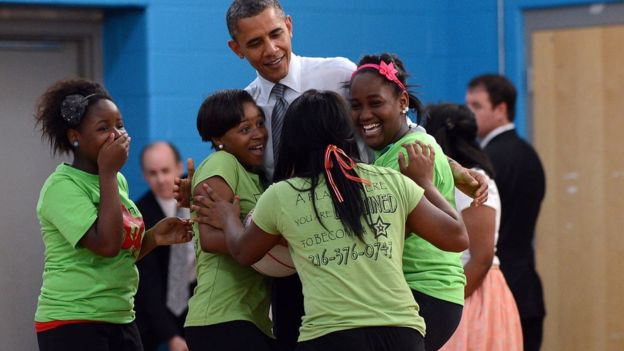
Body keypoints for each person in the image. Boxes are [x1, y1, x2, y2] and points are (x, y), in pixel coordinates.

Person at [222, 3, 486, 349]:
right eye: (255, 42)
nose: (271, 49)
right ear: (236, 49)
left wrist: (452, 166)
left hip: (373, 260)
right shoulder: (247, 108)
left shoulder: (339, 74)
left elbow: (399, 125)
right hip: (300, 253)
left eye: (276, 34)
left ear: (289, 26)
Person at [193, 89, 468, 351]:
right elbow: (457, 237)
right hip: (401, 332)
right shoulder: (391, 180)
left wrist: (229, 217)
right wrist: (425, 183)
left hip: (329, 335)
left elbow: (242, 251)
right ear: (347, 132)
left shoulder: (282, 195)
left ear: (291, 139)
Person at [33, 78, 193, 351]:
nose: (117, 134)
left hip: (119, 315)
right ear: (75, 137)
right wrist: (107, 172)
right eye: (103, 128)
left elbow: (119, 251)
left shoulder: (116, 182)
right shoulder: (62, 187)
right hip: (73, 320)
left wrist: (153, 238)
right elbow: (105, 245)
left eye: (119, 125)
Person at [349, 53, 467, 350]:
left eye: (375, 103)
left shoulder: (409, 155)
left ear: (402, 103)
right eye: (356, 105)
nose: (364, 115)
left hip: (423, 291)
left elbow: (385, 233)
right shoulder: (393, 151)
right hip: (419, 292)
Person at [424, 103, 523, 351]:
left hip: (472, 292)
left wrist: (449, 306)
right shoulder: (447, 178)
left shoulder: (474, 181)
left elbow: (482, 257)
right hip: (458, 288)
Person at [182, 90, 273, 351]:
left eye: (259, 123)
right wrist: (276, 241)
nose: (258, 133)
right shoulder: (220, 163)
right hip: (221, 318)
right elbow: (210, 239)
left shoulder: (254, 175)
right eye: (245, 129)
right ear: (218, 138)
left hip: (250, 318)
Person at [466, 74, 546, 351]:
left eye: (477, 106)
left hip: (500, 293)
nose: (469, 114)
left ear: (501, 110)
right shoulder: (529, 154)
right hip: (528, 289)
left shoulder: (485, 165)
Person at [135, 142, 195, 351]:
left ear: (179, 167)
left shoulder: (198, 195)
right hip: (157, 307)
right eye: (152, 173)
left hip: (198, 298)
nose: (160, 179)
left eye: (165, 171)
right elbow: (148, 282)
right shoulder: (139, 213)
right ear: (144, 175)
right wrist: (171, 336)